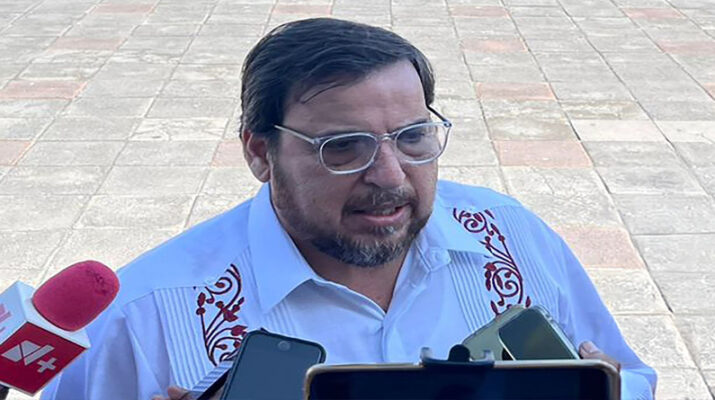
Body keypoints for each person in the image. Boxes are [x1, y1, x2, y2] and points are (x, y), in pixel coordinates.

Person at [41, 18, 656, 400]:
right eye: (343, 147)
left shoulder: (511, 235)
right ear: (259, 152)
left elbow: (628, 378)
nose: (390, 176)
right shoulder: (143, 317)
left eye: (412, 137)